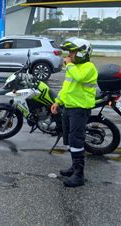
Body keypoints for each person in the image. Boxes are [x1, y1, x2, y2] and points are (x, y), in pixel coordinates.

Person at [50, 37, 97, 188]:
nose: (69, 55)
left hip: (80, 109)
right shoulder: (73, 68)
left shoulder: (88, 67)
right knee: (70, 139)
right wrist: (58, 101)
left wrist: (69, 65)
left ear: (82, 53)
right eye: (69, 53)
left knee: (76, 139)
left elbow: (80, 77)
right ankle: (73, 167)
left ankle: (79, 175)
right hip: (69, 107)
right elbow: (67, 88)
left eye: (72, 52)